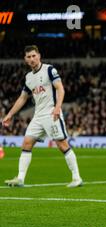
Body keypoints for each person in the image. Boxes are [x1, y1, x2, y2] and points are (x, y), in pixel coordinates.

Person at [2, 45, 82, 187]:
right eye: (29, 57)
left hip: (51, 113)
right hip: (38, 116)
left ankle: (77, 178)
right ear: (25, 59)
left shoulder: (49, 70)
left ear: (39, 55)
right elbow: (22, 98)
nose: (32, 59)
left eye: (34, 56)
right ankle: (20, 179)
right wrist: (10, 114)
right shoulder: (28, 77)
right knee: (26, 143)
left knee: (62, 145)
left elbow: (60, 88)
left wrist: (58, 107)